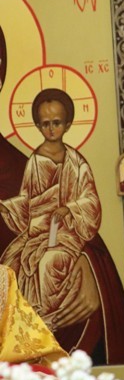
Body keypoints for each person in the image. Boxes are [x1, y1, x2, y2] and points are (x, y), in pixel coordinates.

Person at [0, 89, 102, 334]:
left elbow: (90, 199)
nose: (51, 129)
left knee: (49, 263)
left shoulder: (76, 162)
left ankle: (49, 317)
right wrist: (7, 207)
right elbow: (28, 199)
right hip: (39, 233)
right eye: (45, 124)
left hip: (67, 234)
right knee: (11, 265)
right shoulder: (35, 161)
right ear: (37, 126)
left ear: (67, 124)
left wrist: (70, 209)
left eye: (56, 122)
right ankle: (31, 320)